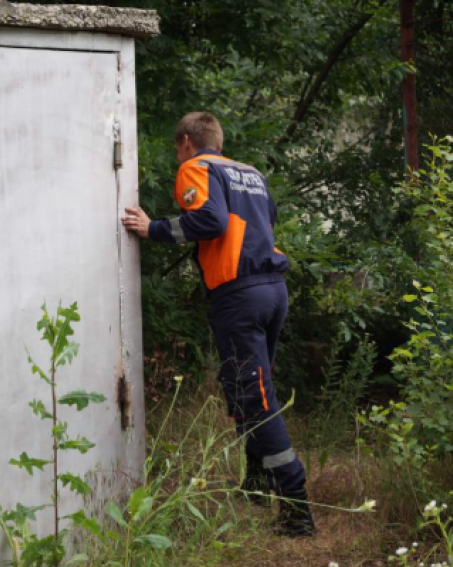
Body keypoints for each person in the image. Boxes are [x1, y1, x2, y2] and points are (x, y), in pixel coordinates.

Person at [121, 112, 315, 537]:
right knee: (255, 390)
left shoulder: (197, 168)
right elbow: (265, 223)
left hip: (240, 295)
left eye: (177, 149)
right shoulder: (250, 173)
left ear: (187, 141)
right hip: (273, 290)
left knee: (255, 399)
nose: (178, 156)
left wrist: (152, 228)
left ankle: (298, 506)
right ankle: (258, 483)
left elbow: (212, 220)